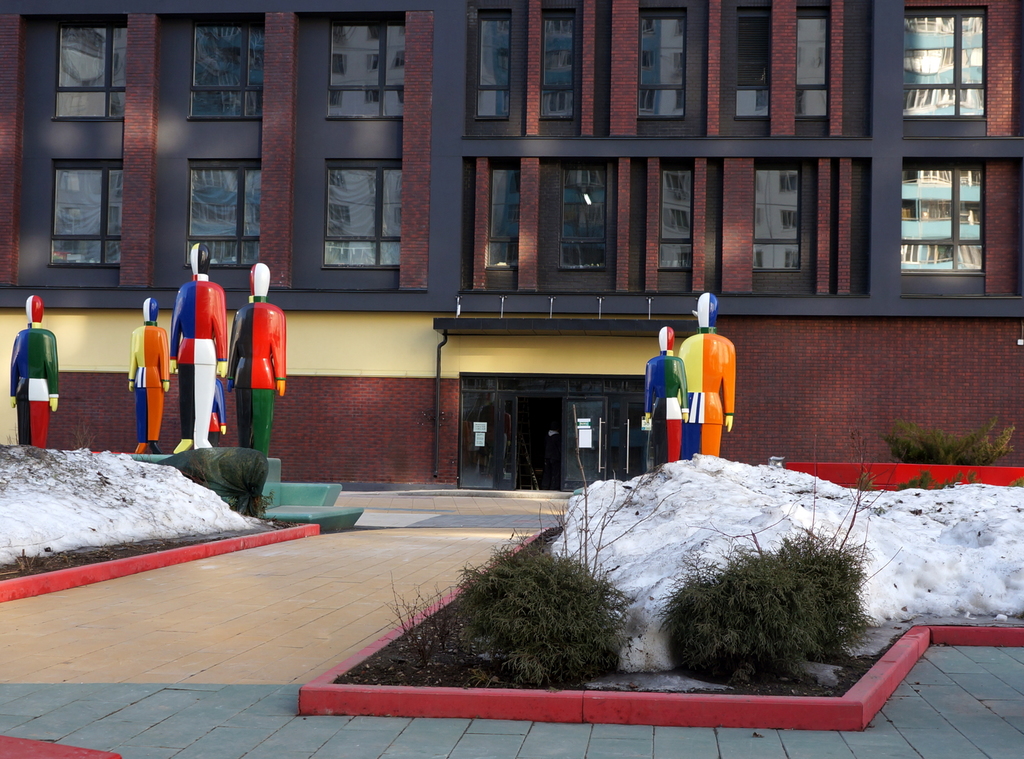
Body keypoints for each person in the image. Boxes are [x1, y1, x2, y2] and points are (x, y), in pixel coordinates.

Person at [169, 243, 228, 452]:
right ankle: (198, 437)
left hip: (186, 349)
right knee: (202, 397)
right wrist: (223, 358)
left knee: (187, 396)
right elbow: (220, 327)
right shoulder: (216, 291)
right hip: (206, 350)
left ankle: (189, 437)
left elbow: (175, 325)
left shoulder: (184, 290)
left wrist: (173, 355)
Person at [227, 262, 286, 456]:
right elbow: (279, 349)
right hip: (265, 374)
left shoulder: (241, 312)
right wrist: (280, 377)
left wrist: (230, 375)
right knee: (262, 424)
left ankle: (247, 458)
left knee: (244, 423)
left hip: (242, 372)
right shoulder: (276, 314)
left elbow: (234, 346)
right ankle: (260, 458)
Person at [679, 293, 736, 458]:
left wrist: (681, 406)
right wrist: (729, 412)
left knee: (689, 456)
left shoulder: (687, 344)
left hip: (691, 404)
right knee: (711, 457)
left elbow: (681, 381)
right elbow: (729, 382)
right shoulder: (727, 345)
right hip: (712, 405)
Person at [10, 296, 59, 448]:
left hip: (22, 386)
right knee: (39, 430)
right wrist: (54, 394)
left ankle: (26, 453)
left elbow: (13, 367)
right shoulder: (48, 337)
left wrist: (12, 393)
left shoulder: (20, 336)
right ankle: (36, 452)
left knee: (24, 431)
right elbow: (51, 366)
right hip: (40, 388)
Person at [128, 298, 171, 454]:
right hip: (154, 377)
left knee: (144, 412)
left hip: (142, 377)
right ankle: (148, 441)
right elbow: (164, 356)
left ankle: (148, 442)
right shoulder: (160, 333)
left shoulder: (137, 333)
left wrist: (131, 377)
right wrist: (165, 378)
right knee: (152, 412)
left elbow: (133, 357)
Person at [644, 326, 688, 469]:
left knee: (660, 442)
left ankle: (661, 467)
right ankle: (670, 467)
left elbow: (648, 390)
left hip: (659, 405)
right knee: (671, 441)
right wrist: (685, 409)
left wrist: (648, 410)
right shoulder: (678, 362)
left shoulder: (652, 363)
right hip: (673, 406)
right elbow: (684, 387)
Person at [540, 422, 562, 489]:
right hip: (555, 457)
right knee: (555, 473)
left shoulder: (547, 436)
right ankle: (554, 486)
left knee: (547, 472)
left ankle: (545, 486)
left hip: (547, 456)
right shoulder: (558, 437)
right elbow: (560, 448)